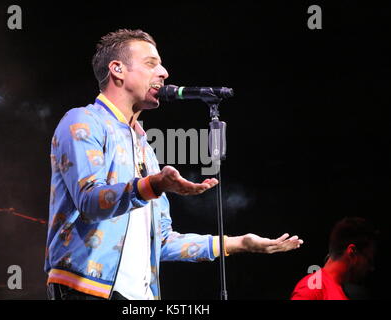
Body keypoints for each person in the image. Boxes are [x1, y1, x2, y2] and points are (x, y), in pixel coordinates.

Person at [44, 29, 303, 300]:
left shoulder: (145, 148)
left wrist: (237, 243)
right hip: (85, 290)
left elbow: (162, 241)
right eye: (150, 63)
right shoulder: (83, 121)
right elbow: (90, 201)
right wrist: (153, 184)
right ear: (117, 70)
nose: (164, 72)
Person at [290, 217, 377, 300]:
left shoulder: (339, 290)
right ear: (352, 252)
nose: (371, 267)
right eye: (368, 259)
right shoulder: (313, 288)